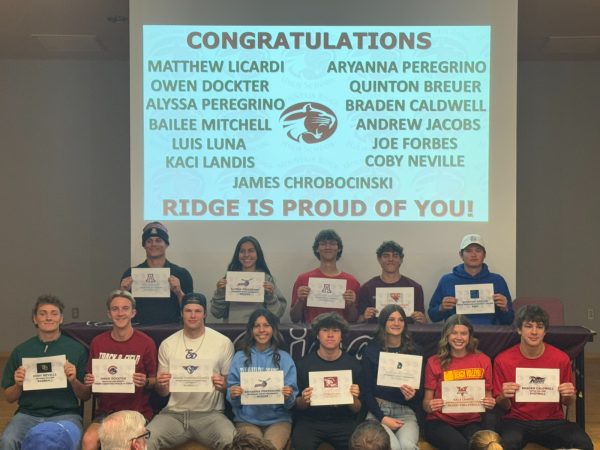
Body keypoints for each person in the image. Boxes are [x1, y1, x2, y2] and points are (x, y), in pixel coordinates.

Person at [493, 305, 593, 450]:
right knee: (506, 445)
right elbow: (504, 405)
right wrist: (503, 396)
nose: (534, 332)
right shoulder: (503, 360)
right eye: (528, 326)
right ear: (519, 330)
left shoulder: (560, 358)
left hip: (553, 421)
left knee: (584, 444)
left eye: (539, 327)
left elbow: (567, 402)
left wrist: (570, 395)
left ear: (545, 331)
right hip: (516, 421)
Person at [146, 292, 235, 450]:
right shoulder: (168, 344)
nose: (193, 315)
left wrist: (223, 385)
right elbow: (162, 393)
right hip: (174, 414)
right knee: (144, 442)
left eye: (198, 311)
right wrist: (161, 385)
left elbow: (229, 385)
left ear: (205, 313)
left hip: (211, 415)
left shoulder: (223, 342)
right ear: (181, 313)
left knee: (233, 442)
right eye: (188, 311)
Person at [0, 294, 89, 450]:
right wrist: (18, 385)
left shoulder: (77, 350)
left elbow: (85, 396)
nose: (48, 318)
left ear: (61, 319)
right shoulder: (21, 351)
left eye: (54, 313)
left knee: (70, 443)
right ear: (34, 319)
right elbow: (8, 397)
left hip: (66, 415)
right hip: (27, 414)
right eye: (43, 313)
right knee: (7, 441)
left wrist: (74, 380)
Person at [81, 290, 157, 450]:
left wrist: (146, 381)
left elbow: (155, 381)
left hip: (136, 412)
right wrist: (90, 381)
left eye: (125, 308)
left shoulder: (146, 343)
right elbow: (90, 383)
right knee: (88, 441)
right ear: (109, 313)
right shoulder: (98, 342)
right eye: (115, 309)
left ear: (133, 312)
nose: (120, 313)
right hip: (106, 411)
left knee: (124, 442)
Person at [226, 309, 298, 450]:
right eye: (257, 326)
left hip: (278, 421)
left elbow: (291, 403)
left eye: (266, 325)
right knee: (252, 448)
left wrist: (288, 396)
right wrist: (234, 394)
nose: (261, 330)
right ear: (251, 330)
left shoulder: (285, 358)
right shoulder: (240, 357)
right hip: (246, 420)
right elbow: (231, 396)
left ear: (273, 329)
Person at [422, 314, 496, 450]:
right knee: (459, 446)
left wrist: (489, 402)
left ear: (470, 336)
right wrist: (430, 405)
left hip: (472, 421)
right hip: (439, 422)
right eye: (454, 333)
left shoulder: (483, 360)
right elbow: (426, 404)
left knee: (484, 445)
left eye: (463, 333)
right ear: (446, 336)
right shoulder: (434, 362)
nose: (459, 338)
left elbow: (489, 397)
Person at [292, 312, 362, 450]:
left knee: (358, 445)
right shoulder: (303, 365)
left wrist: (353, 398)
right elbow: (296, 405)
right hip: (310, 422)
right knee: (299, 445)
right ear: (317, 335)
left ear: (342, 336)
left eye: (335, 331)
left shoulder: (353, 365)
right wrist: (304, 400)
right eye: (325, 330)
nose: (330, 335)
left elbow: (357, 409)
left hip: (343, 422)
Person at [360, 305, 422, 450]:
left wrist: (413, 394)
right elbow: (366, 391)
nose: (396, 323)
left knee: (407, 446)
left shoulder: (415, 351)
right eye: (391, 319)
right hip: (378, 412)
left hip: (406, 412)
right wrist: (382, 417)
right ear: (383, 323)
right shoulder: (371, 350)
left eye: (401, 320)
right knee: (391, 447)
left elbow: (421, 392)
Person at [428, 234, 514, 325]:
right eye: (468, 251)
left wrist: (505, 309)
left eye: (478, 251)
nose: (473, 255)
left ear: (484, 255)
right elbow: (432, 317)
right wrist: (441, 308)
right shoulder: (447, 280)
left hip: (490, 335)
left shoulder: (497, 280)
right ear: (461, 255)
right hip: (457, 335)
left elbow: (509, 320)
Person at [120, 222, 193, 324]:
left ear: (166, 244)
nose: (153, 244)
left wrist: (179, 292)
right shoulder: (131, 274)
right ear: (144, 245)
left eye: (158, 240)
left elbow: (192, 312)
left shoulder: (182, 274)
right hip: (138, 330)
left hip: (172, 330)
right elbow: (120, 310)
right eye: (149, 241)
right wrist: (123, 292)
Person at [290, 229, 360, 323]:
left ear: (339, 248)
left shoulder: (352, 281)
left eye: (332, 243)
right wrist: (300, 301)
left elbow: (354, 320)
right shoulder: (303, 279)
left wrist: (351, 305)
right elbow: (294, 319)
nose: (328, 247)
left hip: (340, 334)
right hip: (311, 334)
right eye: (323, 244)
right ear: (317, 249)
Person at [211, 236, 286, 323]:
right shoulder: (229, 279)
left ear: (258, 254)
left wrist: (270, 296)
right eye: (242, 251)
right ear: (237, 254)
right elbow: (217, 313)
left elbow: (278, 314)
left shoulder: (267, 280)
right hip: (233, 331)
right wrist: (220, 293)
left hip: (259, 330)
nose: (246, 255)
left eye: (251, 251)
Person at [358, 241, 426, 324]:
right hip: (376, 336)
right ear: (379, 259)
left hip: (405, 335)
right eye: (386, 256)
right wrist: (364, 317)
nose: (390, 259)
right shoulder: (366, 288)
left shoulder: (415, 288)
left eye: (395, 256)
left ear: (401, 260)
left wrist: (422, 319)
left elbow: (424, 322)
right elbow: (358, 321)